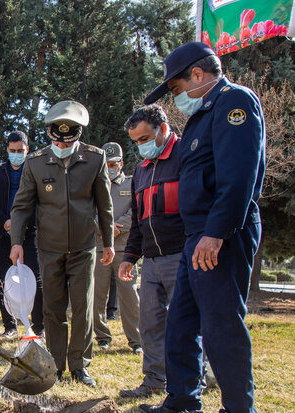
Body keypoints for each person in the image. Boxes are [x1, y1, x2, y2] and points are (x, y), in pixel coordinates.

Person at [139, 42, 265, 413]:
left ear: (197, 75)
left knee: (221, 324)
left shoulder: (234, 102)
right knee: (181, 321)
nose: (176, 98)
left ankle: (239, 408)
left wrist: (216, 233)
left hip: (220, 236)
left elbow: (238, 177)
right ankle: (181, 400)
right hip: (197, 237)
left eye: (176, 89)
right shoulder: (201, 115)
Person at [10, 100, 114, 387]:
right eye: (58, 141)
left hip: (83, 247)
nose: (63, 147)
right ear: (50, 136)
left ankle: (80, 365)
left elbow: (104, 205)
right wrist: (16, 241)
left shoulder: (95, 159)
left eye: (68, 143)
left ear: (77, 137)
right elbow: (21, 206)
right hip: (49, 248)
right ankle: (56, 364)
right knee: (53, 309)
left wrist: (109, 243)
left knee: (83, 306)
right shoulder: (35, 162)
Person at [116, 105, 185, 398]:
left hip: (183, 254)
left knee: (185, 323)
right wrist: (130, 257)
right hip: (152, 260)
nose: (141, 147)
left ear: (163, 129)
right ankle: (155, 380)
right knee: (150, 322)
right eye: (136, 142)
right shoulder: (141, 171)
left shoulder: (186, 157)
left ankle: (195, 379)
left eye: (145, 139)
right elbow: (139, 220)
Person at [0, 130, 44, 338]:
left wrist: (22, 223)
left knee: (36, 279)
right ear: (6, 150)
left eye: (20, 150)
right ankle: (9, 325)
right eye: (12, 150)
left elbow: (41, 202)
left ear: (27, 150)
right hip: (2, 234)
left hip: (29, 234)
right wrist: (4, 220)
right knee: (3, 280)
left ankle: (39, 326)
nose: (16, 153)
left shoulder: (35, 171)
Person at [92, 142, 141, 353]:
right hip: (98, 247)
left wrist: (118, 228)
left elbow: (137, 210)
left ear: (121, 164)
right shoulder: (93, 184)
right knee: (96, 296)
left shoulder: (131, 184)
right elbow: (87, 210)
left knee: (129, 297)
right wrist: (105, 227)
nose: (110, 168)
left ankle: (136, 340)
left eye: (113, 164)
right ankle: (102, 336)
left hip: (124, 249)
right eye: (106, 164)